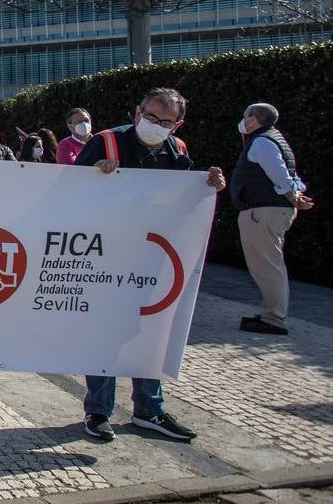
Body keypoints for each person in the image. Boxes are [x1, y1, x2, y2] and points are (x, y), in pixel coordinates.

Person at [74, 87, 226, 442]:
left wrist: (210, 184)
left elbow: (186, 198)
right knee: (104, 334)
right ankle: (98, 411)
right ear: (137, 113)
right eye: (152, 117)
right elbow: (71, 191)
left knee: (151, 330)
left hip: (153, 258)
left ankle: (149, 409)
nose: (156, 125)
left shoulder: (179, 150)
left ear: (179, 124)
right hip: (107, 254)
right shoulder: (106, 142)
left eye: (166, 122)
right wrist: (94, 174)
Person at [232, 103, 314, 336]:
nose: (243, 120)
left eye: (245, 116)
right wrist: (296, 197)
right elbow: (291, 175)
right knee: (270, 263)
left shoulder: (261, 142)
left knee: (267, 265)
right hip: (271, 211)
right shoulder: (276, 139)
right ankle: (273, 314)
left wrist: (292, 196)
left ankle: (274, 319)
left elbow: (279, 175)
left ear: (254, 119)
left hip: (262, 212)